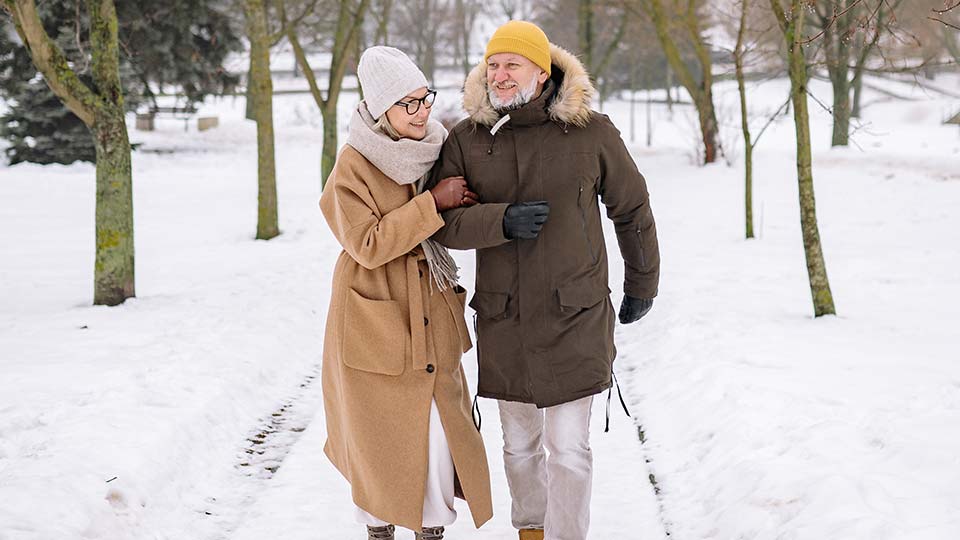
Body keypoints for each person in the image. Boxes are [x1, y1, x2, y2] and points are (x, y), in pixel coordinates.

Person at [427, 21, 661, 540]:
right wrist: (500, 221)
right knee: (518, 446)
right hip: (504, 318)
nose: (500, 74)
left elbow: (632, 207)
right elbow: (441, 223)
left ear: (542, 69)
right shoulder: (467, 139)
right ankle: (531, 531)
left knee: (570, 448)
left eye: (512, 64)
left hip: (573, 313)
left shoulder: (590, 131)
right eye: (493, 64)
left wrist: (642, 282)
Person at [319, 46, 493, 540]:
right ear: (380, 110)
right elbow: (368, 244)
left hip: (430, 311)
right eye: (408, 104)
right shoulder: (351, 167)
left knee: (440, 436)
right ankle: (380, 530)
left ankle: (431, 530)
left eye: (424, 99)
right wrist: (432, 204)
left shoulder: (436, 149)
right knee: (379, 441)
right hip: (374, 312)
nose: (421, 113)